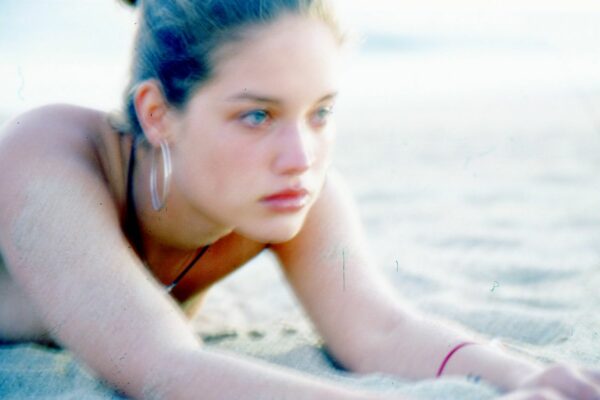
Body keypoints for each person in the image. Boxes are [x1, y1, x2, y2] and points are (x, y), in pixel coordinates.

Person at [0, 0, 598, 399]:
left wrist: (531, 377)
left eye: (321, 113)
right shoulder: (44, 156)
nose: (301, 155)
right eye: (257, 116)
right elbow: (164, 367)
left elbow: (381, 330)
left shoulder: (284, 186)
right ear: (156, 114)